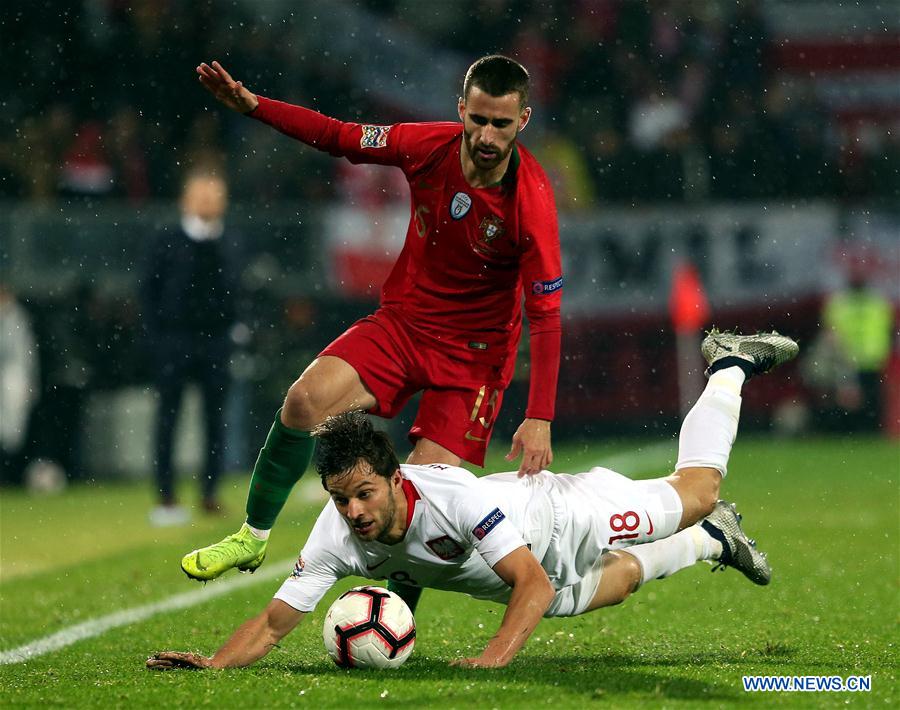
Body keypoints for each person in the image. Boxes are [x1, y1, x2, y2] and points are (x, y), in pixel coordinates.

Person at [149, 330, 797, 670]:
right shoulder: (336, 533)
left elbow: (532, 585)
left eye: (364, 495)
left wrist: (492, 659)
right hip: (526, 574)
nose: (353, 513)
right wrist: (213, 666)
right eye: (340, 499)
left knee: (696, 491)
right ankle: (714, 539)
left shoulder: (448, 496)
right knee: (620, 584)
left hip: (567, 513)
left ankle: (729, 364)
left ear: (397, 479)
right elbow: (270, 624)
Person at [181, 55, 564, 612]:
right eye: (477, 119)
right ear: (461, 109)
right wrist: (254, 105)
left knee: (424, 498)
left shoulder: (530, 199)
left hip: (474, 360)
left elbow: (547, 315)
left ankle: (391, 618)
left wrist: (540, 414)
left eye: (500, 124)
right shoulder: (424, 144)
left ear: (523, 121)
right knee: (303, 400)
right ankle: (251, 537)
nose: (485, 134)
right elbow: (338, 136)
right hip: (405, 324)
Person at [142, 170, 240, 525]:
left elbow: (240, 291)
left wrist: (235, 331)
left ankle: (210, 493)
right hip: (174, 340)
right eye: (201, 193)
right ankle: (166, 495)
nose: (208, 201)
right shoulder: (166, 240)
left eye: (215, 194)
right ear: (185, 200)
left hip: (215, 342)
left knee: (216, 420)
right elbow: (149, 293)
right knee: (168, 418)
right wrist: (155, 341)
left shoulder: (230, 241)